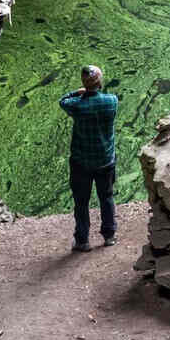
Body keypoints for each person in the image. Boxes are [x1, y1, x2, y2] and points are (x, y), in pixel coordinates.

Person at [59, 65, 119, 252]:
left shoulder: (76, 105)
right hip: (105, 161)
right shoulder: (112, 101)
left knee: (81, 202)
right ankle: (109, 236)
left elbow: (63, 101)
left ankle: (83, 241)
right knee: (107, 197)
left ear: (84, 83)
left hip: (81, 163)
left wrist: (78, 92)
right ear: (100, 82)